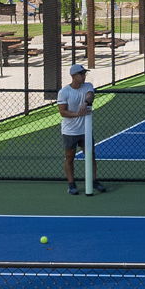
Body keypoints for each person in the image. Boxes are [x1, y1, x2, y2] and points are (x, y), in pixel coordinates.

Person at [57, 63, 105, 194]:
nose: (84, 76)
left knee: (91, 156)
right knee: (69, 158)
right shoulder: (64, 92)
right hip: (70, 131)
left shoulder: (88, 86)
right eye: (81, 74)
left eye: (84, 73)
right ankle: (71, 184)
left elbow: (90, 95)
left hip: (86, 131)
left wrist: (85, 102)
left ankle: (94, 181)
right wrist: (77, 114)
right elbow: (62, 112)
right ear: (73, 76)